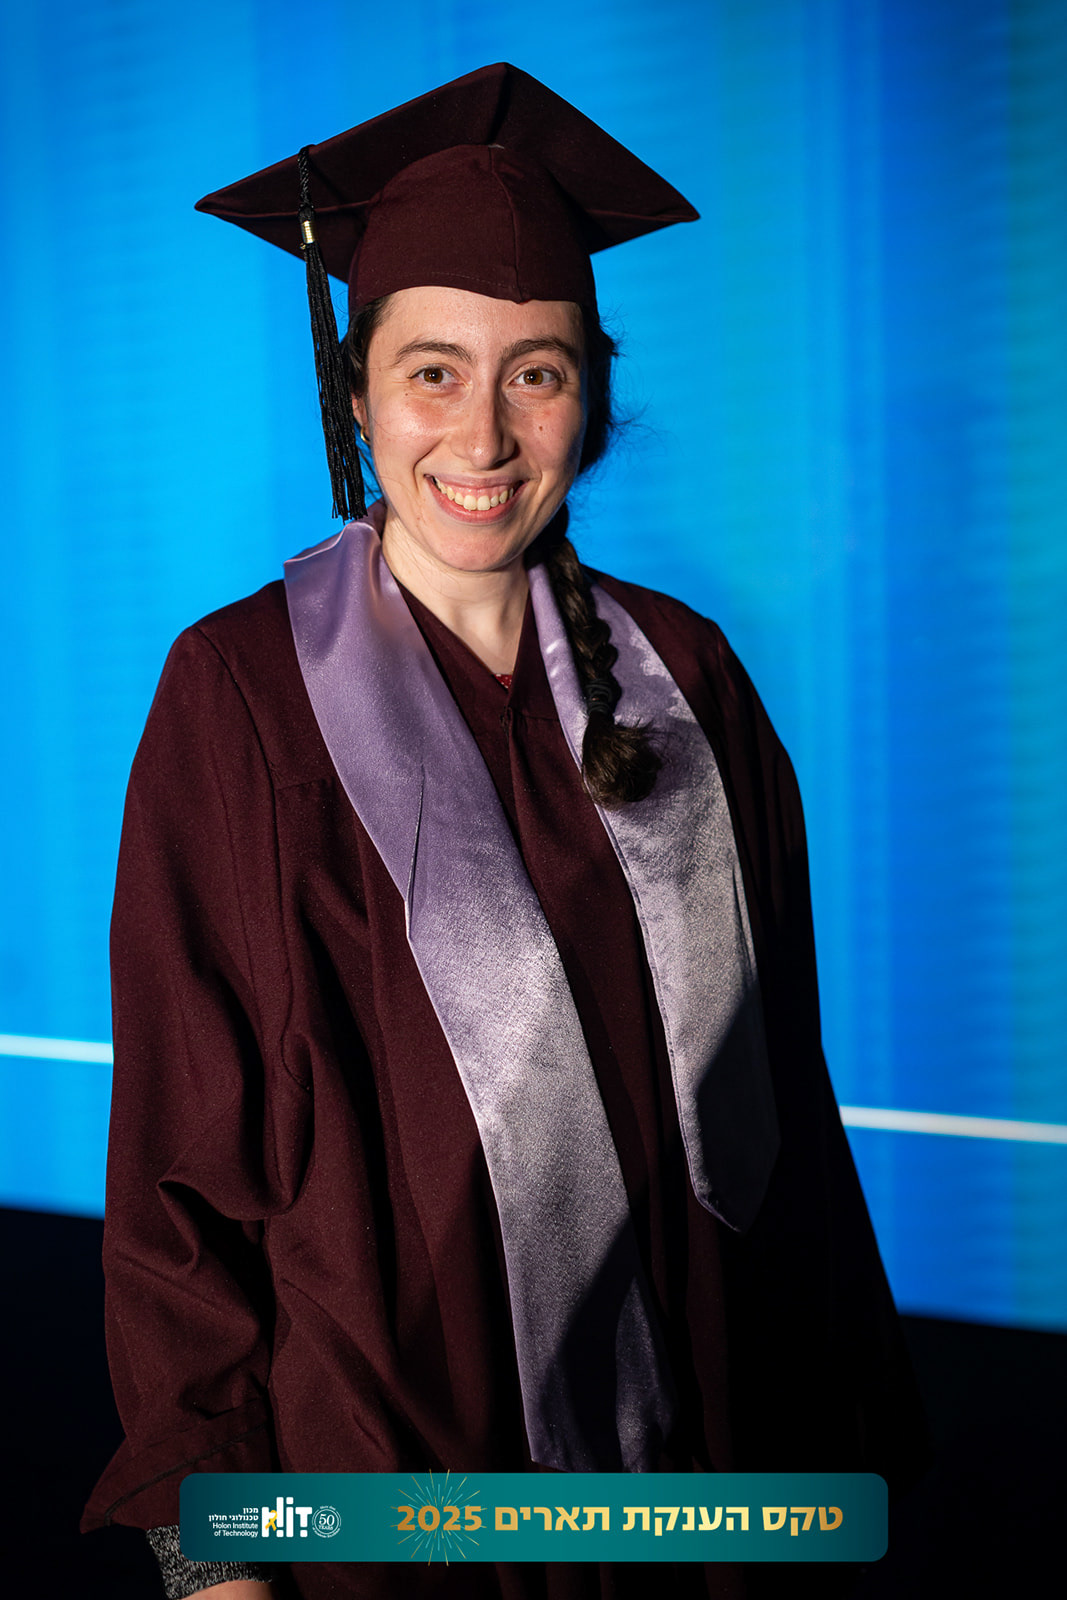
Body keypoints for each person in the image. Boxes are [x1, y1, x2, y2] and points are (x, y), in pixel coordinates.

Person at [82, 63, 925, 1600]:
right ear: (355, 392)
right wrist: (212, 1550)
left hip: (696, 1503)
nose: (482, 432)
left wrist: (847, 1471)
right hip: (382, 1507)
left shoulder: (690, 680)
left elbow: (788, 1115)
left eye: (535, 371)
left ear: (589, 400)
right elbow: (180, 1168)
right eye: (433, 371)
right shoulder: (243, 695)